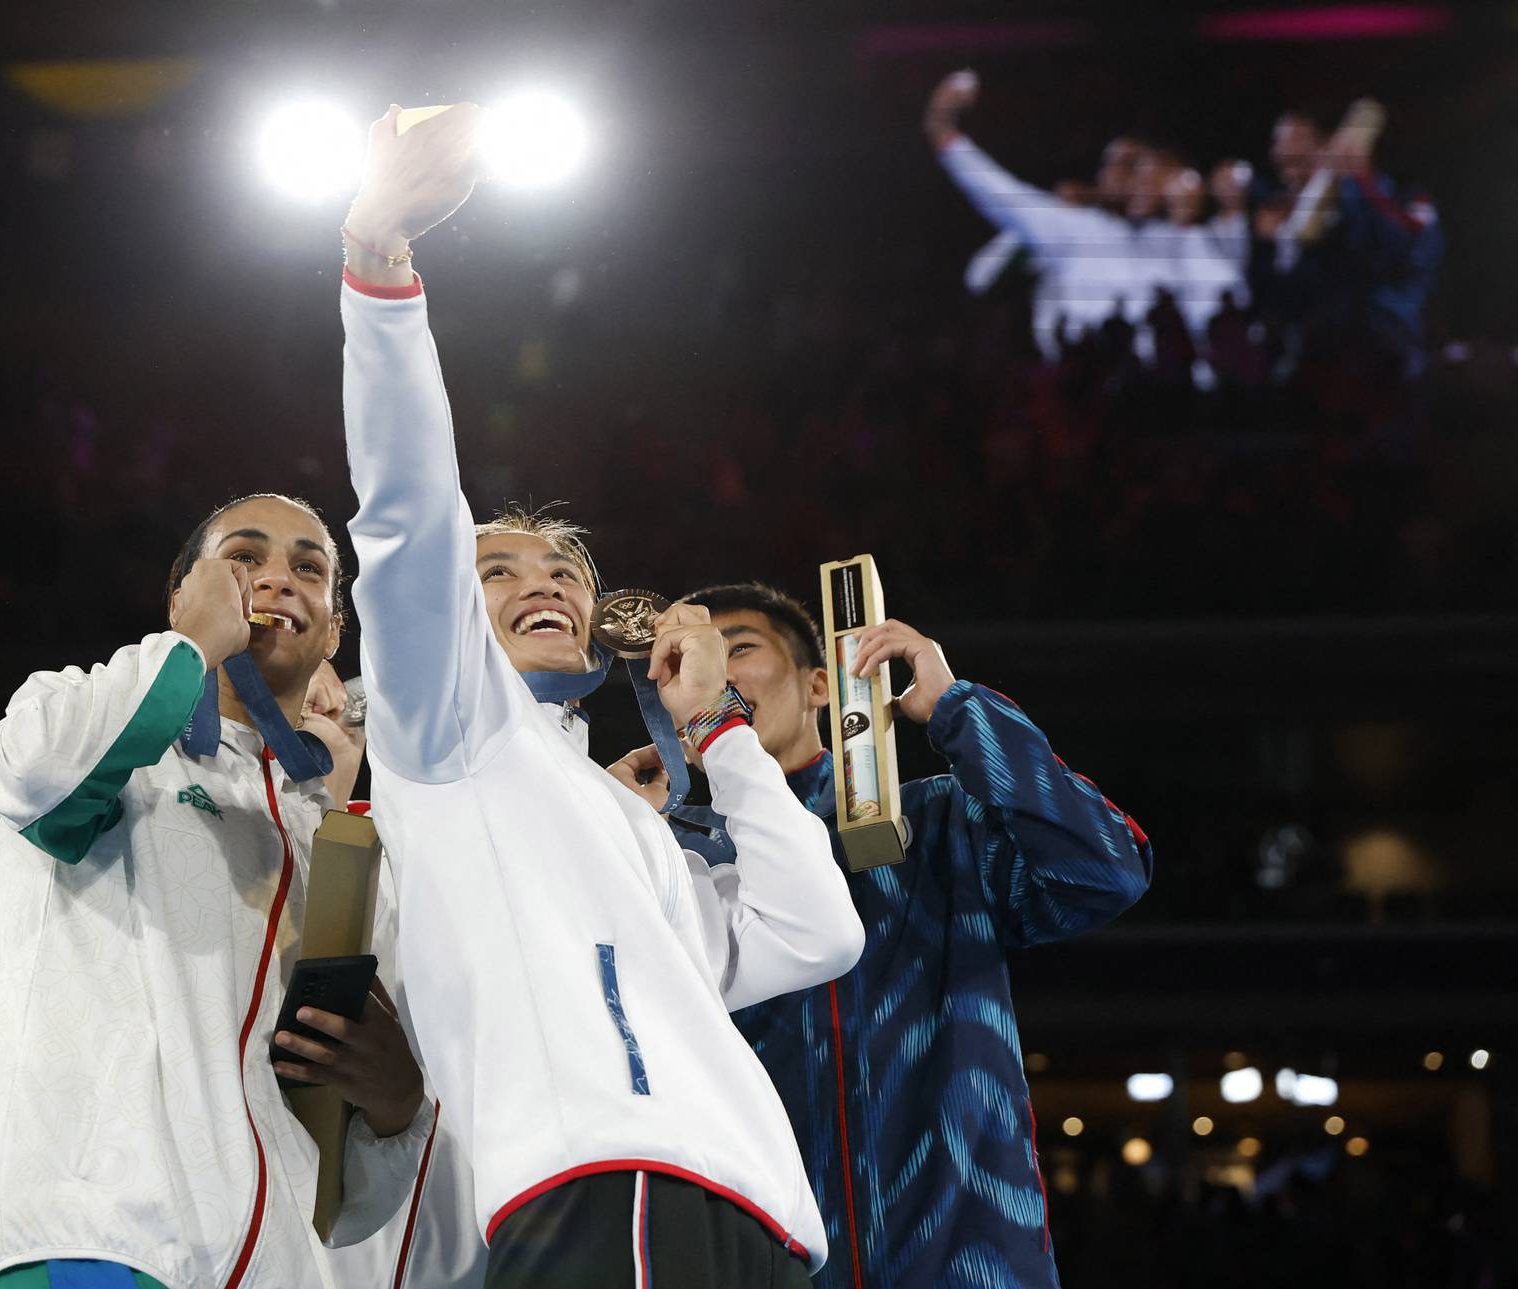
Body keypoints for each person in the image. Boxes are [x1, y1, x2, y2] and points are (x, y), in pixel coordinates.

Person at [334, 104, 865, 1287]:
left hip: (758, 1204)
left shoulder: (623, 814)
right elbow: (411, 515)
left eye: (565, 572)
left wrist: (718, 732)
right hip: (598, 1179)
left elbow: (817, 930)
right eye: (503, 571)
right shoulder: (444, 729)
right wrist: (378, 263)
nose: (545, 586)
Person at [614, 582, 1152, 1289]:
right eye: (692, 657)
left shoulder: (935, 825)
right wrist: (615, 831)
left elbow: (1106, 870)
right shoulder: (683, 870)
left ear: (820, 684)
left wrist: (962, 713)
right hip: (773, 1265)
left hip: (971, 1264)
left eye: (737, 647)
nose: (713, 669)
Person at [0, 492, 430, 1289]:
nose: (279, 578)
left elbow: (348, 1199)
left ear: (334, 629)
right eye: (245, 557)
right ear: (183, 592)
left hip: (279, 1264)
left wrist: (398, 1105)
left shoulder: (342, 847)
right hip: (106, 1244)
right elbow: (30, 772)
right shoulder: (98, 728)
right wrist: (189, 647)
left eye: (308, 567)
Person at [924, 71, 1189, 361]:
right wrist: (943, 127)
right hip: (1087, 377)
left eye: (1139, 168)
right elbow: (999, 192)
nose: (1127, 177)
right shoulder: (1075, 226)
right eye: (1116, 166)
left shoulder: (1183, 239)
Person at [1252, 101, 1443, 379]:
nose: (1283, 152)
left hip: (1382, 343)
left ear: (1325, 147)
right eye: (1278, 144)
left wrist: (1361, 183)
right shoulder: (1277, 209)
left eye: (1296, 142)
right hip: (1313, 352)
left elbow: (1399, 256)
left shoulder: (1392, 195)